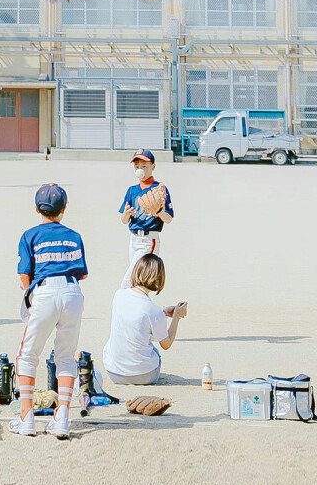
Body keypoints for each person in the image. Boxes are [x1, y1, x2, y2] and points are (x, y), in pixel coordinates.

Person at [12, 181, 88, 440]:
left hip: (44, 291)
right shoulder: (74, 235)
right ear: (64, 208)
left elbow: (24, 276)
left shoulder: (29, 235)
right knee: (66, 356)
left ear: (37, 208)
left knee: (27, 356)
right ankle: (63, 416)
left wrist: (32, 293)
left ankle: (26, 417)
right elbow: (82, 274)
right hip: (72, 292)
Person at [102, 255, 187, 386]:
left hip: (114, 372)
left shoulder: (119, 295)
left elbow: (137, 325)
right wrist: (176, 317)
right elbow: (166, 344)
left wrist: (163, 314)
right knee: (155, 352)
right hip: (144, 376)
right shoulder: (153, 310)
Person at [119, 148, 172, 288]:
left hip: (149, 241)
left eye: (144, 166)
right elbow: (124, 221)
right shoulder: (132, 190)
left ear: (153, 167)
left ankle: (121, 307)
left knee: (128, 282)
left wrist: (160, 211)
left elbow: (168, 219)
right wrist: (126, 214)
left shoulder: (159, 189)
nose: (140, 169)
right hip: (133, 240)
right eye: (137, 166)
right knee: (137, 282)